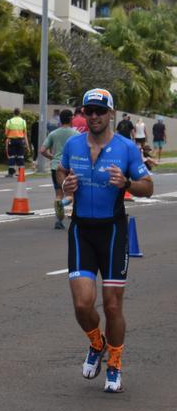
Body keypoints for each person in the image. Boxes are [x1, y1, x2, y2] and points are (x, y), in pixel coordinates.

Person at [57, 87, 152, 394]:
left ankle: (115, 363)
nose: (94, 116)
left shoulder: (125, 148)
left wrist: (126, 183)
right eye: (89, 111)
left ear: (111, 114)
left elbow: (148, 187)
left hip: (113, 231)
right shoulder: (73, 144)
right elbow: (60, 173)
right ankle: (96, 343)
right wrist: (66, 183)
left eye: (100, 111)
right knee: (83, 305)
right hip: (81, 230)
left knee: (112, 306)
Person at [38, 108, 77, 229]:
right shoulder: (76, 135)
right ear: (71, 119)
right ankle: (68, 209)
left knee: (59, 193)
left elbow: (42, 150)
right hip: (69, 168)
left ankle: (58, 221)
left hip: (55, 167)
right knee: (71, 195)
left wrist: (52, 157)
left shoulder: (53, 133)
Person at [3, 110, 31, 176]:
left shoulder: (9, 121)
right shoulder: (23, 121)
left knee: (11, 157)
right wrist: (27, 146)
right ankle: (21, 173)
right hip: (20, 141)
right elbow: (25, 135)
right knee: (20, 157)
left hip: (11, 141)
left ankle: (11, 173)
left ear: (13, 113)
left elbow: (6, 133)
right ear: (19, 114)